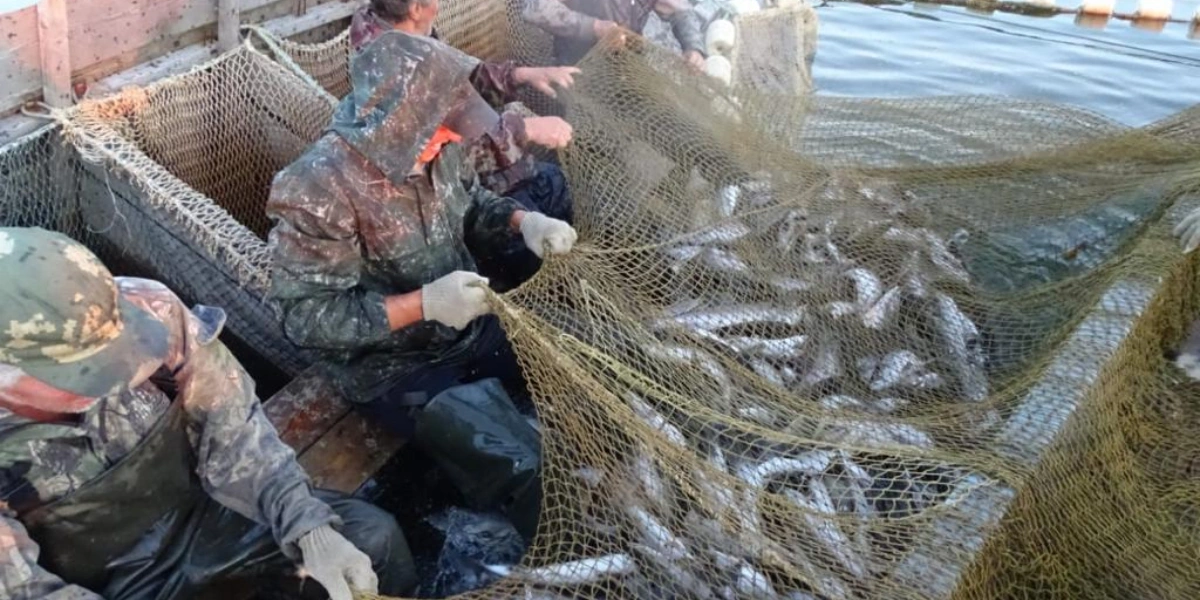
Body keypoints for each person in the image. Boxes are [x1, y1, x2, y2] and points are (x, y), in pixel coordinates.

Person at [266, 32, 576, 533]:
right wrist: (422, 304)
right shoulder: (318, 187)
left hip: (469, 325)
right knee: (520, 462)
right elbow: (303, 318)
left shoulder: (442, 147)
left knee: (574, 355)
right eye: (444, 131)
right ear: (398, 127)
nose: (456, 138)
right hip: (398, 368)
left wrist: (525, 223)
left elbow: (474, 207)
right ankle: (559, 536)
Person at [0, 227, 415, 600]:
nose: (118, 379)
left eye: (118, 352)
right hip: (104, 582)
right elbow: (23, 589)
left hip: (208, 513)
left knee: (372, 539)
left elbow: (233, 428)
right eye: (81, 372)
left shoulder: (146, 310)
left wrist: (306, 524)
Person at [352, 0, 579, 201]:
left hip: (479, 157)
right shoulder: (396, 68)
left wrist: (523, 75)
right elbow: (447, 154)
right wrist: (527, 129)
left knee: (553, 181)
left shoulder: (394, 27)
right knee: (538, 208)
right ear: (416, 9)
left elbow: (462, 75)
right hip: (445, 191)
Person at [521, 0, 706, 69]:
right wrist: (592, 27)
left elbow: (682, 11)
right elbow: (535, 8)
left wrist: (693, 47)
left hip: (627, 64)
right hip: (577, 64)